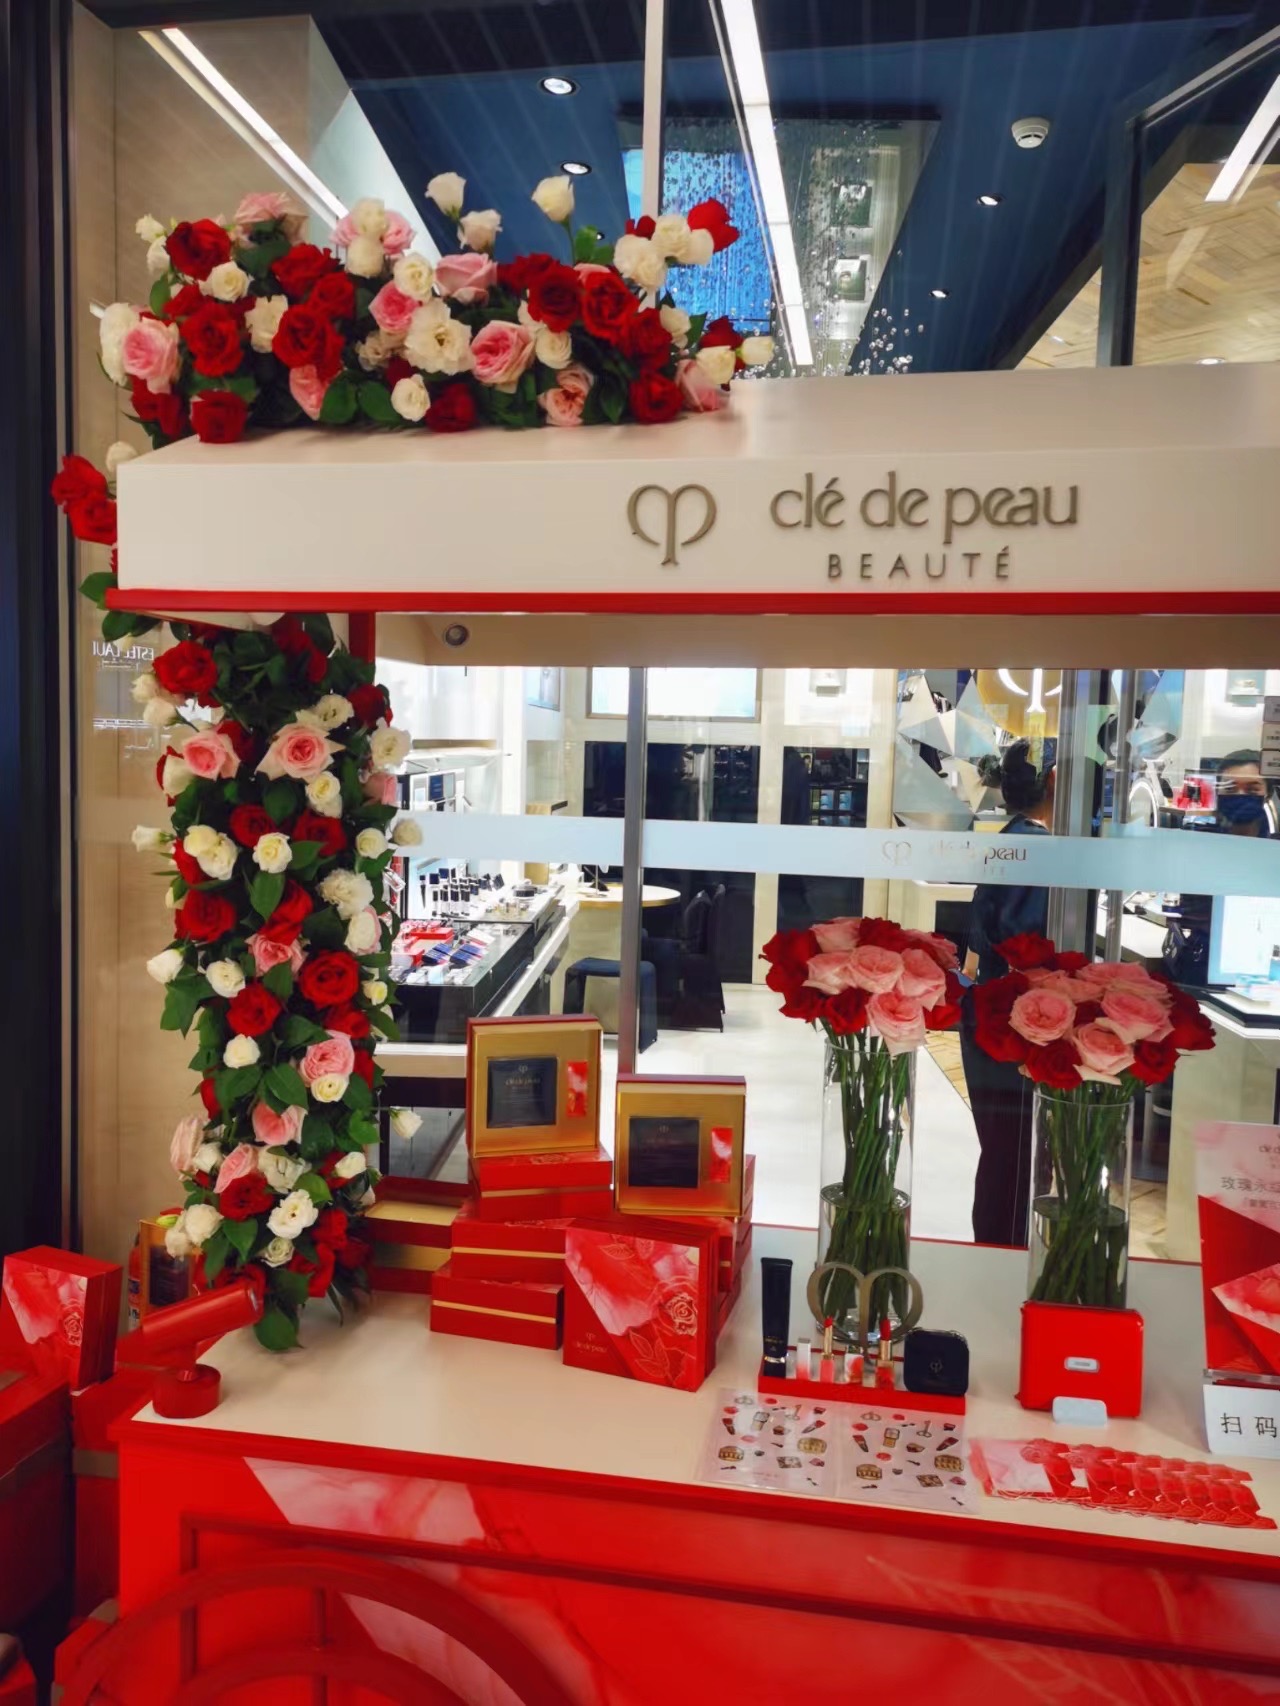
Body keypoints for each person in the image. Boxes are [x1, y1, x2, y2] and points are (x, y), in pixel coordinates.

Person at [960, 740, 1055, 1246]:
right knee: (1016, 1153)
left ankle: (995, 1251)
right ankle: (1004, 1253)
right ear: (1056, 785)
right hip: (1012, 1020)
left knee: (1003, 1151)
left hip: (989, 1011)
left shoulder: (1010, 839)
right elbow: (1024, 943)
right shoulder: (1036, 850)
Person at [1162, 749, 1276, 984]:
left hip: (1266, 967)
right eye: (1230, 789)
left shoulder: (1275, 846)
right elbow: (1191, 911)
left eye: (1252, 789)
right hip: (1204, 961)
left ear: (1267, 793)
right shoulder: (1200, 839)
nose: (1241, 796)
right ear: (1218, 792)